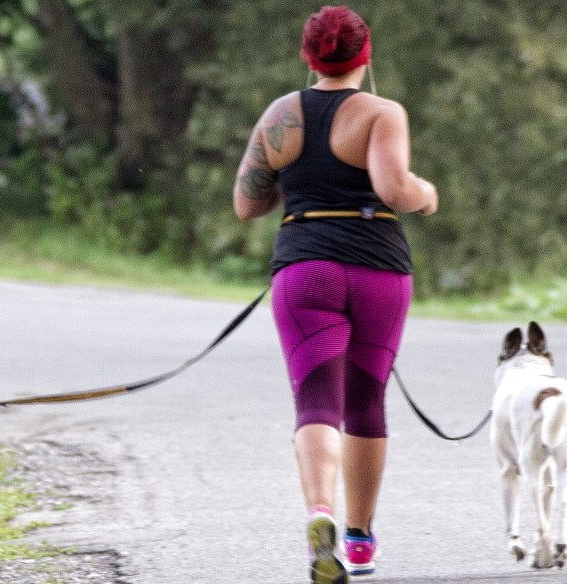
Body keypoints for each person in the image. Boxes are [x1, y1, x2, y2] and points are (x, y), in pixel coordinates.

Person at [232, 6, 438, 583]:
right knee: (366, 399)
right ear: (365, 56)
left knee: (316, 398)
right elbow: (395, 188)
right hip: (378, 268)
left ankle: (319, 514)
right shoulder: (381, 112)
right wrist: (427, 194)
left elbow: (247, 204)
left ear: (309, 55)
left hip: (305, 266)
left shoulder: (281, 115)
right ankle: (360, 539)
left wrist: (297, 187)